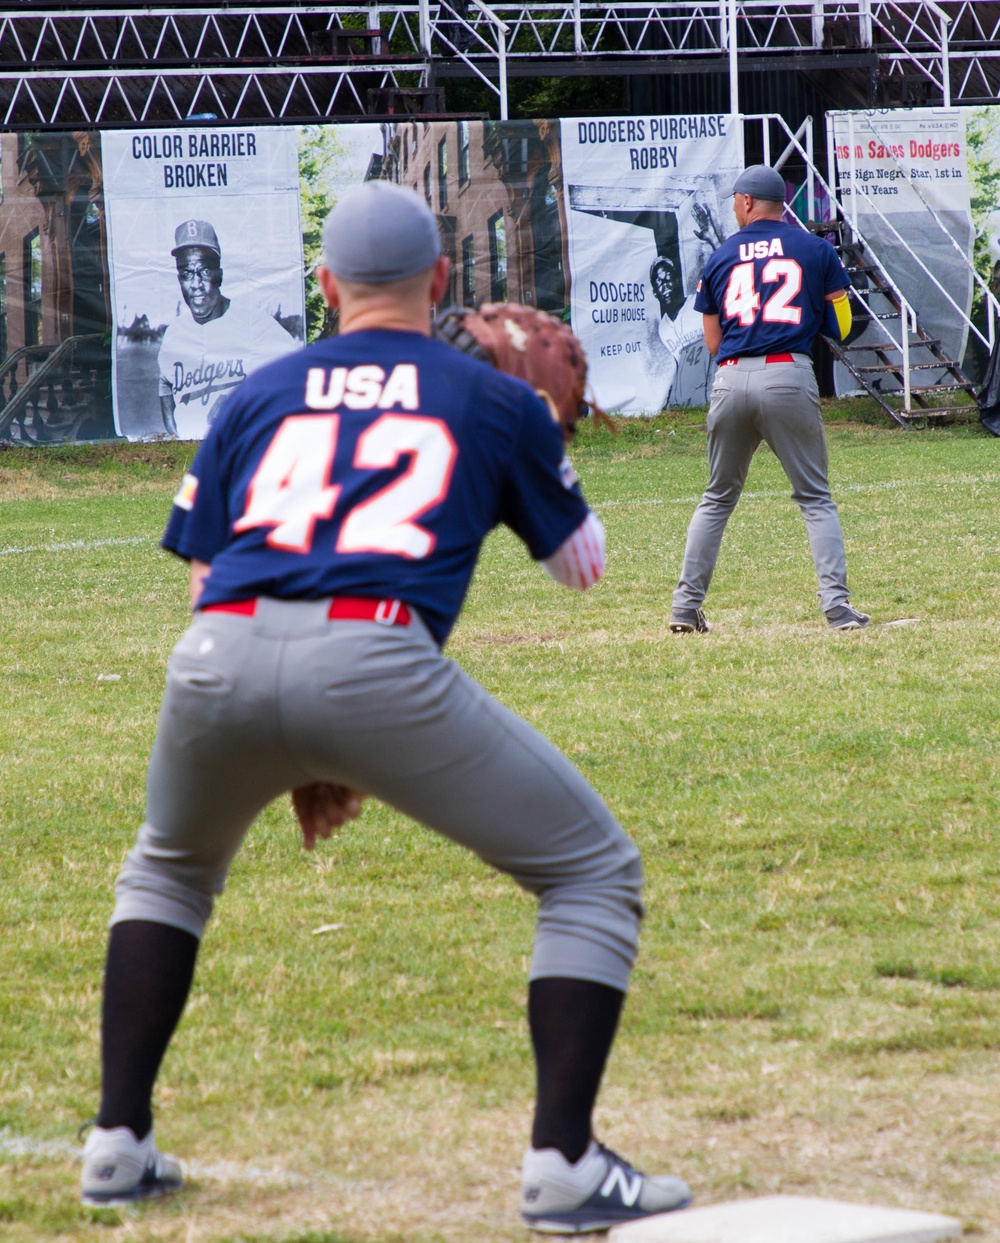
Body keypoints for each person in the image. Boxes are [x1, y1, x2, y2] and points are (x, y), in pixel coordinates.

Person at [80, 182, 692, 1235]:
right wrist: (542, 425)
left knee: (169, 871)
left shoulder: (260, 388)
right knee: (591, 873)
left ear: (325, 286)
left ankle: (115, 1143)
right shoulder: (486, 395)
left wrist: (287, 732)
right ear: (441, 281)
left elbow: (205, 575)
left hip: (216, 649)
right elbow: (579, 568)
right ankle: (563, 1165)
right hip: (370, 657)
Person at [669, 164, 868, 634]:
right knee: (815, 498)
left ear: (745, 202)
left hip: (731, 379)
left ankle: (683, 608)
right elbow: (843, 327)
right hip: (787, 375)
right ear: (782, 206)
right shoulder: (814, 248)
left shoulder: (720, 257)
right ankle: (838, 609)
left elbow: (714, 343)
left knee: (716, 498)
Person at [158, 219, 297, 439]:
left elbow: (297, 373)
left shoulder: (254, 324)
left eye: (204, 271)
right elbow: (165, 383)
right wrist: (174, 433)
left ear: (219, 275)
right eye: (186, 274)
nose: (195, 284)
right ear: (179, 280)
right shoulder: (174, 333)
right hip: (188, 456)